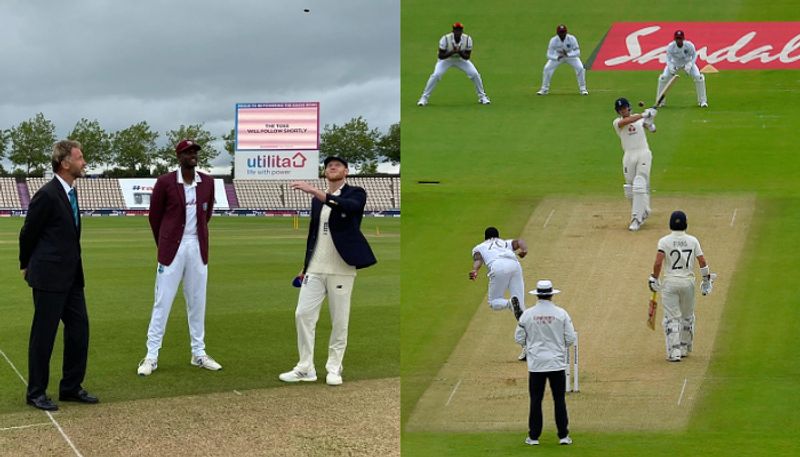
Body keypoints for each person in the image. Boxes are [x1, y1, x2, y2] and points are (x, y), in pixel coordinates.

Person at [279, 156, 377, 386]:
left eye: (337, 165)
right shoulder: (317, 200)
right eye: (328, 166)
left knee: (339, 320)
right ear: (325, 173)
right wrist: (306, 264)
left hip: (341, 268)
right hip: (315, 268)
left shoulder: (356, 193)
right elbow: (314, 234)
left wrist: (314, 191)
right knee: (302, 314)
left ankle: (334, 367)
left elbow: (346, 207)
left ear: (346, 171)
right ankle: (305, 367)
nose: (332, 167)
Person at [19, 140, 99, 410]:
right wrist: (24, 263)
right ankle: (36, 393)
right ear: (65, 163)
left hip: (72, 277)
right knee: (44, 336)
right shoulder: (47, 194)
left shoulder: (70, 193)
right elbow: (28, 232)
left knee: (79, 331)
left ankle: (71, 387)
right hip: (49, 278)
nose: (84, 162)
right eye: (80, 158)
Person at [137, 139, 221, 376]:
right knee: (162, 303)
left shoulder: (208, 182)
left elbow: (207, 216)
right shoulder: (165, 182)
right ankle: (151, 356)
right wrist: (164, 244)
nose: (192, 155)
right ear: (179, 156)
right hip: (172, 248)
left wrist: (194, 241)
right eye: (187, 152)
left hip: (197, 247)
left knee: (197, 302)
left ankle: (199, 353)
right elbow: (155, 218)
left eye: (195, 152)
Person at [648, 211, 715, 362]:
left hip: (670, 283)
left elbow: (658, 262)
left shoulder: (664, 241)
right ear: (686, 224)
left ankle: (674, 353)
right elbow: (702, 262)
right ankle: (685, 347)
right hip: (688, 283)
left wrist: (654, 278)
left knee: (671, 318)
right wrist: (705, 280)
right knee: (687, 317)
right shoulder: (693, 240)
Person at [515, 280, 575, 446]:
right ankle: (563, 436)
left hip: (536, 364)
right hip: (556, 363)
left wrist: (532, 346)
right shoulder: (561, 313)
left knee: (535, 400)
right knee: (559, 399)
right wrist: (557, 347)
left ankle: (533, 437)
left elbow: (518, 337)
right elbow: (570, 338)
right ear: (551, 294)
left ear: (537, 295)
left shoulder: (527, 314)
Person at [469, 227, 528, 360]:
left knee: (494, 302)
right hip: (514, 264)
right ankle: (527, 348)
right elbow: (519, 241)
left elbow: (478, 259)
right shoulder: (504, 243)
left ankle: (510, 304)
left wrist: (475, 270)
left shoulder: (479, 247)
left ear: (485, 237)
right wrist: (524, 251)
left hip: (498, 266)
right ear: (498, 236)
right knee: (521, 308)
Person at [417, 22, 491, 106]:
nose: (458, 32)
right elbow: (441, 56)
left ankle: (482, 97)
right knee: (436, 75)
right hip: (446, 60)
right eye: (456, 30)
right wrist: (452, 52)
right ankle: (424, 98)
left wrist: (459, 52)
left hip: (461, 60)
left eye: (459, 30)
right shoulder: (445, 39)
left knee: (474, 74)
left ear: (462, 31)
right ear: (453, 31)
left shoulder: (467, 39)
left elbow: (467, 57)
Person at [612, 97, 657, 232]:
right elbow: (628, 121)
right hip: (628, 155)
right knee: (629, 189)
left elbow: (653, 129)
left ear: (628, 107)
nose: (623, 111)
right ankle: (644, 210)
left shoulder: (639, 120)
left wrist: (650, 120)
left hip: (643, 153)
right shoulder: (617, 122)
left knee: (639, 184)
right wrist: (644, 115)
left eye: (624, 108)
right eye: (620, 109)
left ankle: (636, 219)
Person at [657, 30, 708, 107]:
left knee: (699, 77)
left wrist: (690, 64)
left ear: (683, 39)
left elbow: (694, 55)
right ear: (674, 39)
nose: (679, 40)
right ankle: (660, 102)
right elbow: (667, 58)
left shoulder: (689, 45)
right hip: (675, 63)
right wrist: (670, 66)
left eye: (680, 39)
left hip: (687, 63)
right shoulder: (671, 46)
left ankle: (702, 101)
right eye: (677, 39)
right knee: (663, 78)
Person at [536, 24, 588, 96]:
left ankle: (583, 89)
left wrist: (568, 55)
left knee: (580, 68)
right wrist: (556, 58)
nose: (562, 34)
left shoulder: (572, 38)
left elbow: (578, 52)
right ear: (557, 33)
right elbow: (548, 54)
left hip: (570, 56)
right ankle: (544, 89)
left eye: (563, 33)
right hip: (558, 56)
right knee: (547, 68)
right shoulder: (553, 40)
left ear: (566, 32)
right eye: (560, 33)